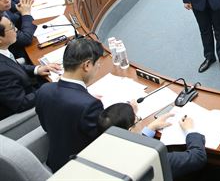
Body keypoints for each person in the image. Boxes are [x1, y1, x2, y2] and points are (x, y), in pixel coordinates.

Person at [35, 38, 104, 172]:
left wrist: (84, 96)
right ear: (87, 65)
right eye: (98, 64)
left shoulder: (44, 90)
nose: (98, 68)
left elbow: (46, 127)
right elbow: (102, 143)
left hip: (56, 162)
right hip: (81, 169)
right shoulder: (90, 105)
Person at [97, 103, 207, 179]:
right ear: (130, 130)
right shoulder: (150, 158)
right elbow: (198, 157)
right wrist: (190, 131)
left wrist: (150, 128)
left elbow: (129, 141)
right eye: (138, 119)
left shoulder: (101, 150)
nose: (140, 120)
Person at [0, 14, 59, 120]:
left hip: (29, 89)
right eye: (11, 28)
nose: (16, 29)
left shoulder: (3, 51)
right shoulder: (2, 72)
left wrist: (37, 69)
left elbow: (13, 68)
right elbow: (21, 104)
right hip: (26, 112)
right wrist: (50, 88)